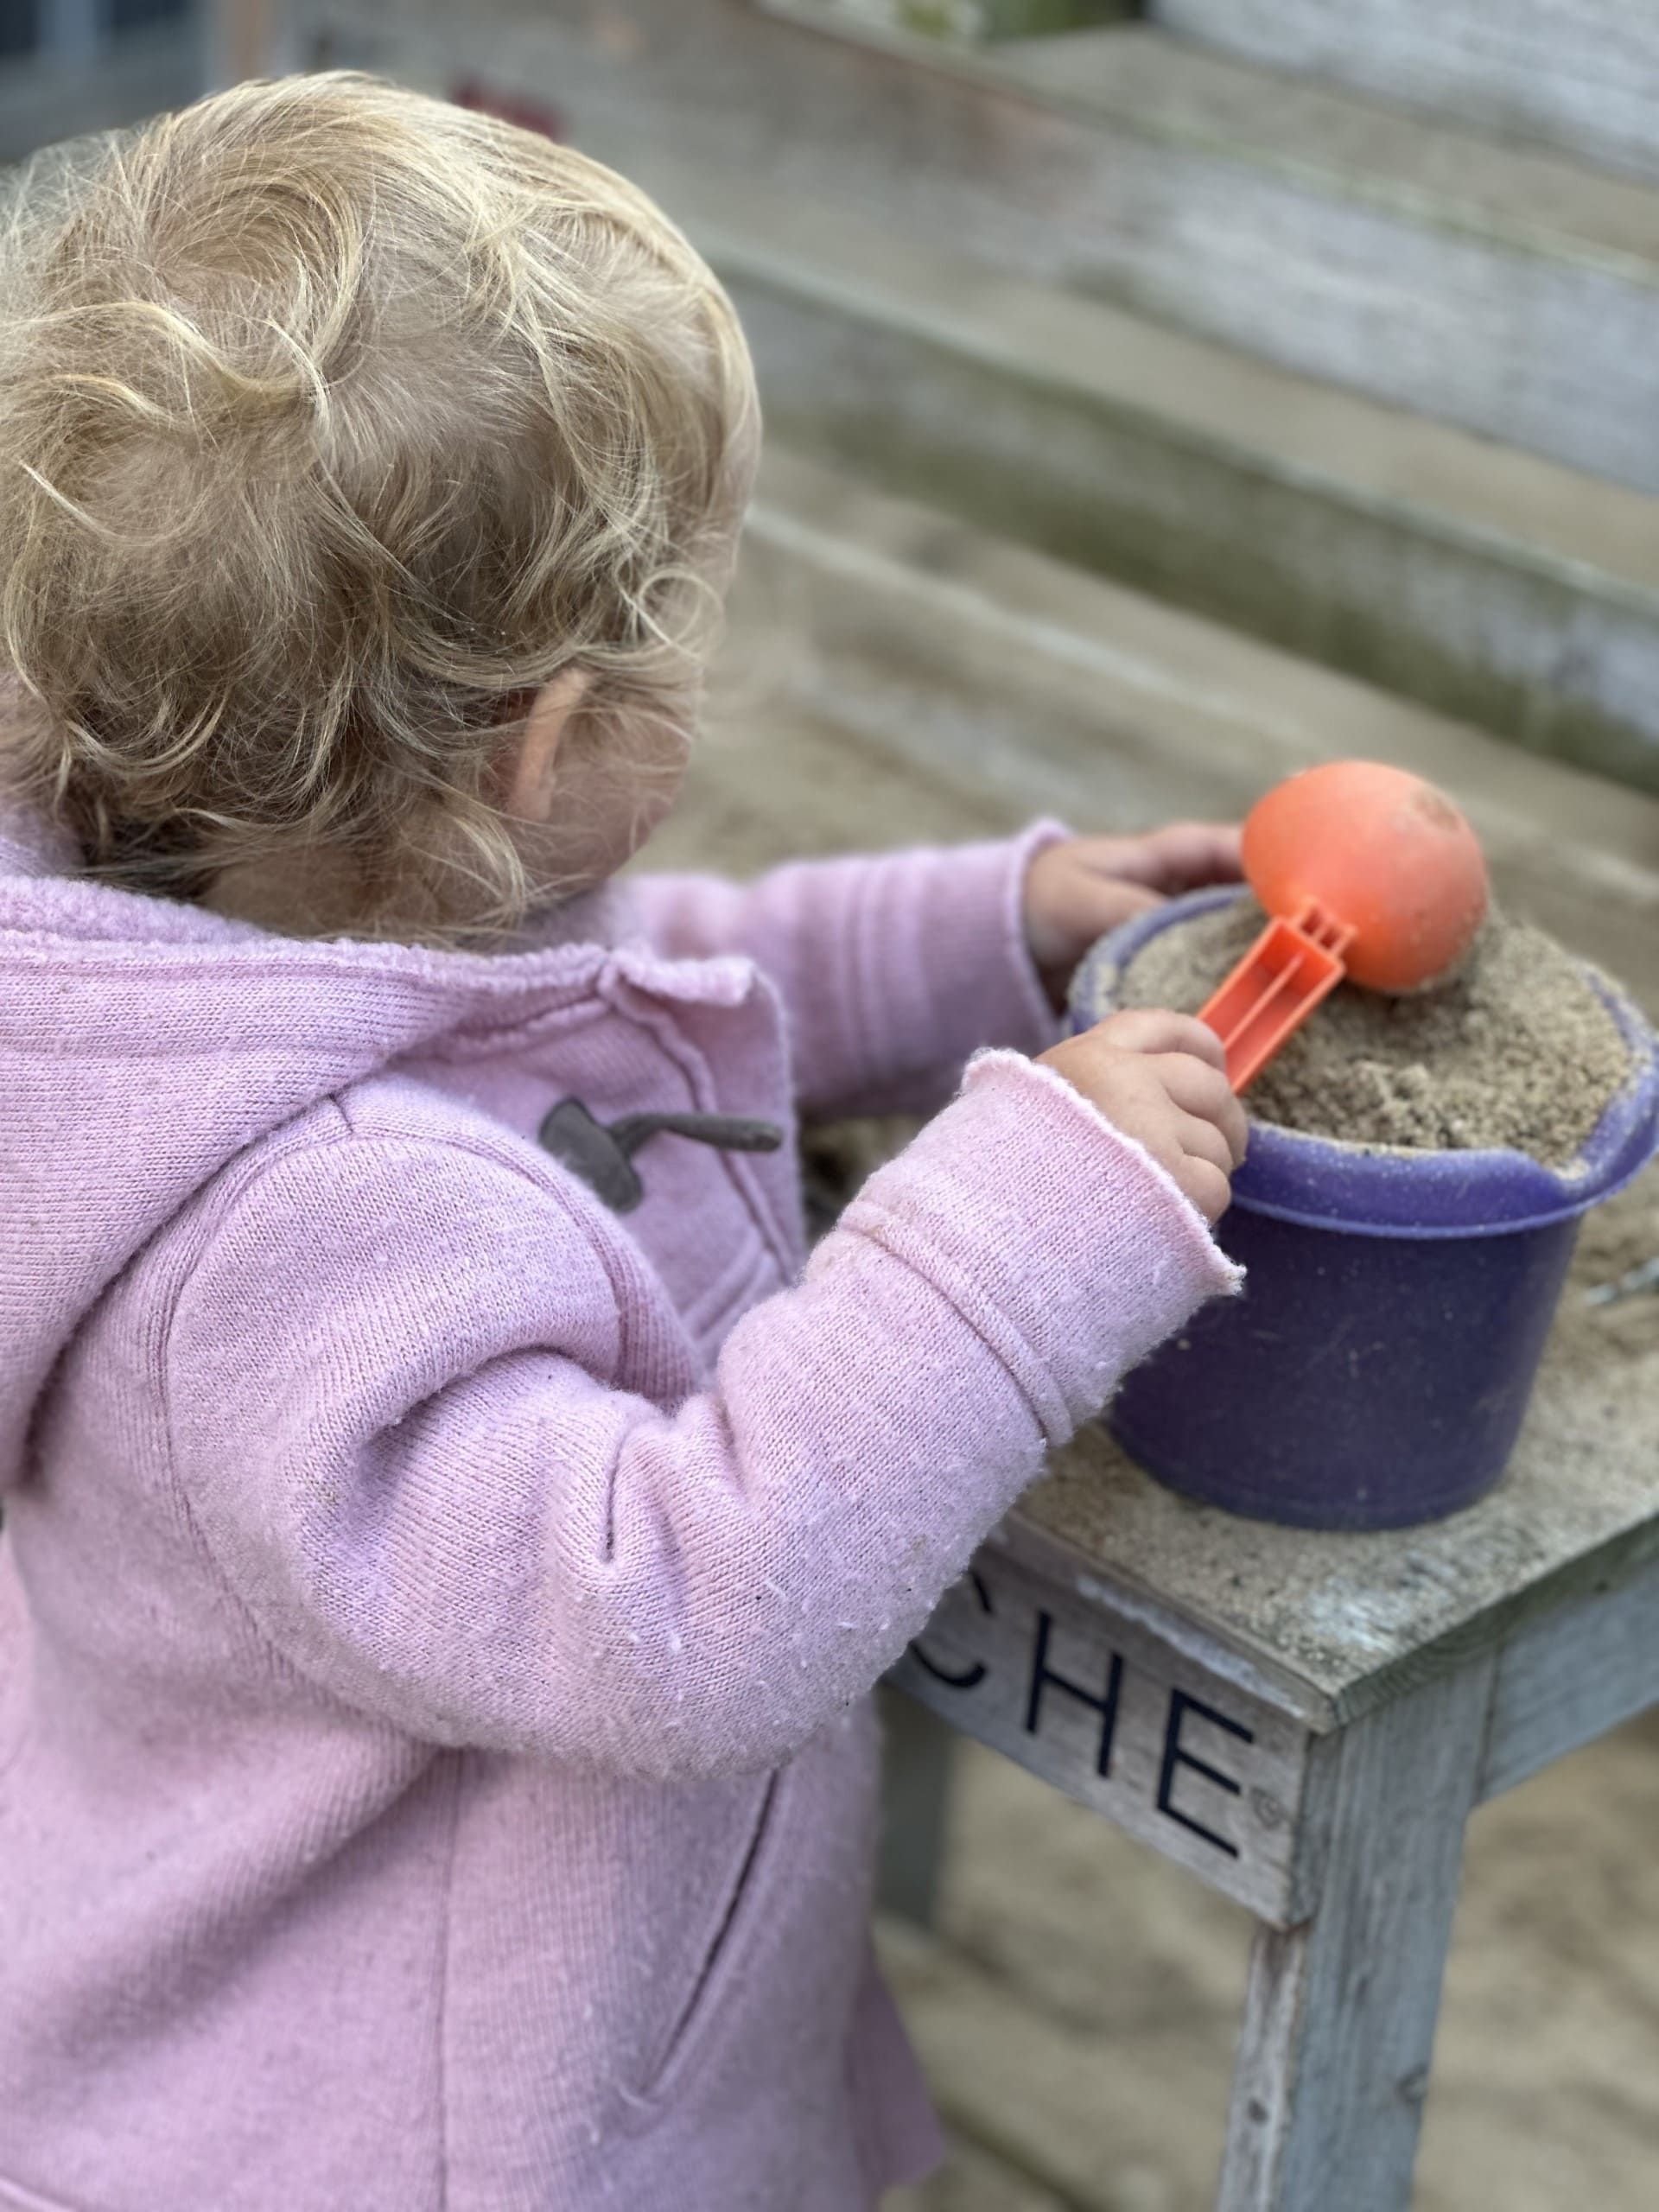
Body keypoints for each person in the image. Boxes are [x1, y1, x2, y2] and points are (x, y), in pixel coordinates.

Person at [0, 74, 1247, 2212]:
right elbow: (673, 1602)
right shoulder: (287, 1244)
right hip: (399, 2130)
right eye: (687, 620)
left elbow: (633, 992)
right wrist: (1016, 1226)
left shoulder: (234, 917)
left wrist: (982, 928)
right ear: (546, 746)